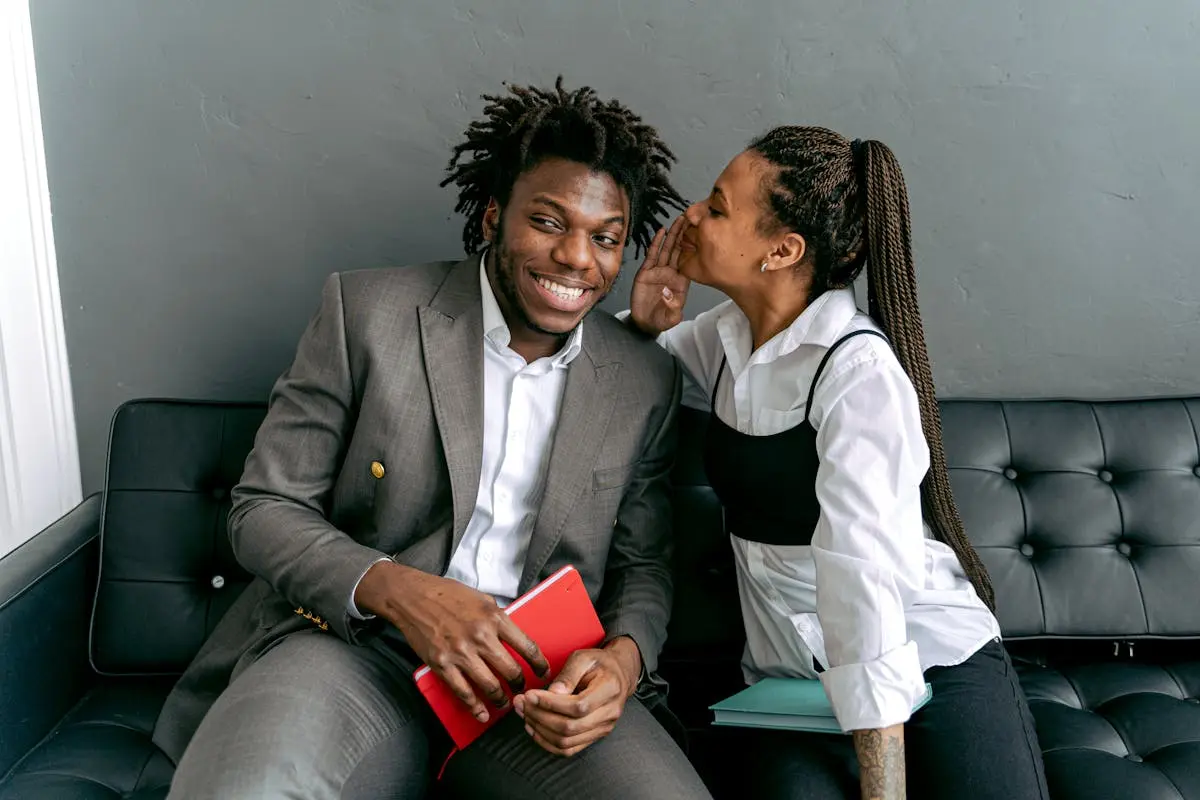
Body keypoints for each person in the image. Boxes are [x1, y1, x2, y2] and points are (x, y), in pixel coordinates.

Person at [152, 77, 714, 800]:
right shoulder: (365, 313)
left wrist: (622, 663)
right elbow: (263, 508)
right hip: (351, 650)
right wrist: (404, 593)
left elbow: (644, 567)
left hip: (536, 683)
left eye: (605, 238)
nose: (578, 258)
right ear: (492, 217)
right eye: (548, 222)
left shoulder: (641, 377)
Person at [625, 126, 1049, 800]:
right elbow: (616, 387)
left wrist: (884, 785)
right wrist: (645, 325)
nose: (691, 217)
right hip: (790, 681)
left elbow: (863, 582)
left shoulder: (858, 375)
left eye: (716, 204)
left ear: (782, 250)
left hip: (928, 653)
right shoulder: (724, 338)